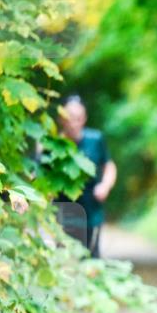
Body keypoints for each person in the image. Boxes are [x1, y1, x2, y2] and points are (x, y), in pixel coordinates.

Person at [58, 96, 117, 257]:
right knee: (66, 259)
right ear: (61, 118)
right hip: (63, 211)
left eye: (78, 118)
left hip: (91, 210)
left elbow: (109, 166)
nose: (73, 123)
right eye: (70, 117)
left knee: (91, 258)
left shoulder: (95, 140)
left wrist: (105, 185)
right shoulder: (52, 144)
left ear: (84, 119)